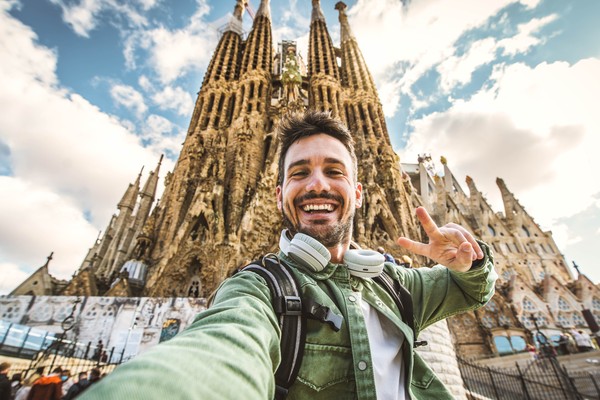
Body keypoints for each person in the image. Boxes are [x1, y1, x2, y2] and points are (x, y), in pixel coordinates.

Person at [81, 110, 496, 399]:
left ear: (358, 192)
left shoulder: (396, 282)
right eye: (300, 172)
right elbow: (224, 346)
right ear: (279, 194)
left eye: (334, 171)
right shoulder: (259, 289)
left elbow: (473, 290)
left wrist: (471, 262)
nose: (317, 184)